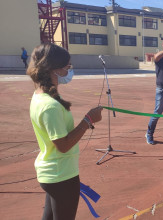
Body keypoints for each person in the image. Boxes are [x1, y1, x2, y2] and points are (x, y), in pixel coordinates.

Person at [27, 43, 103, 219]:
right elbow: (63, 145)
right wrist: (88, 120)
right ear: (54, 70)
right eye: (68, 67)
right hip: (60, 174)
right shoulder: (49, 105)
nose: (70, 71)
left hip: (55, 173)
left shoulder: (43, 95)